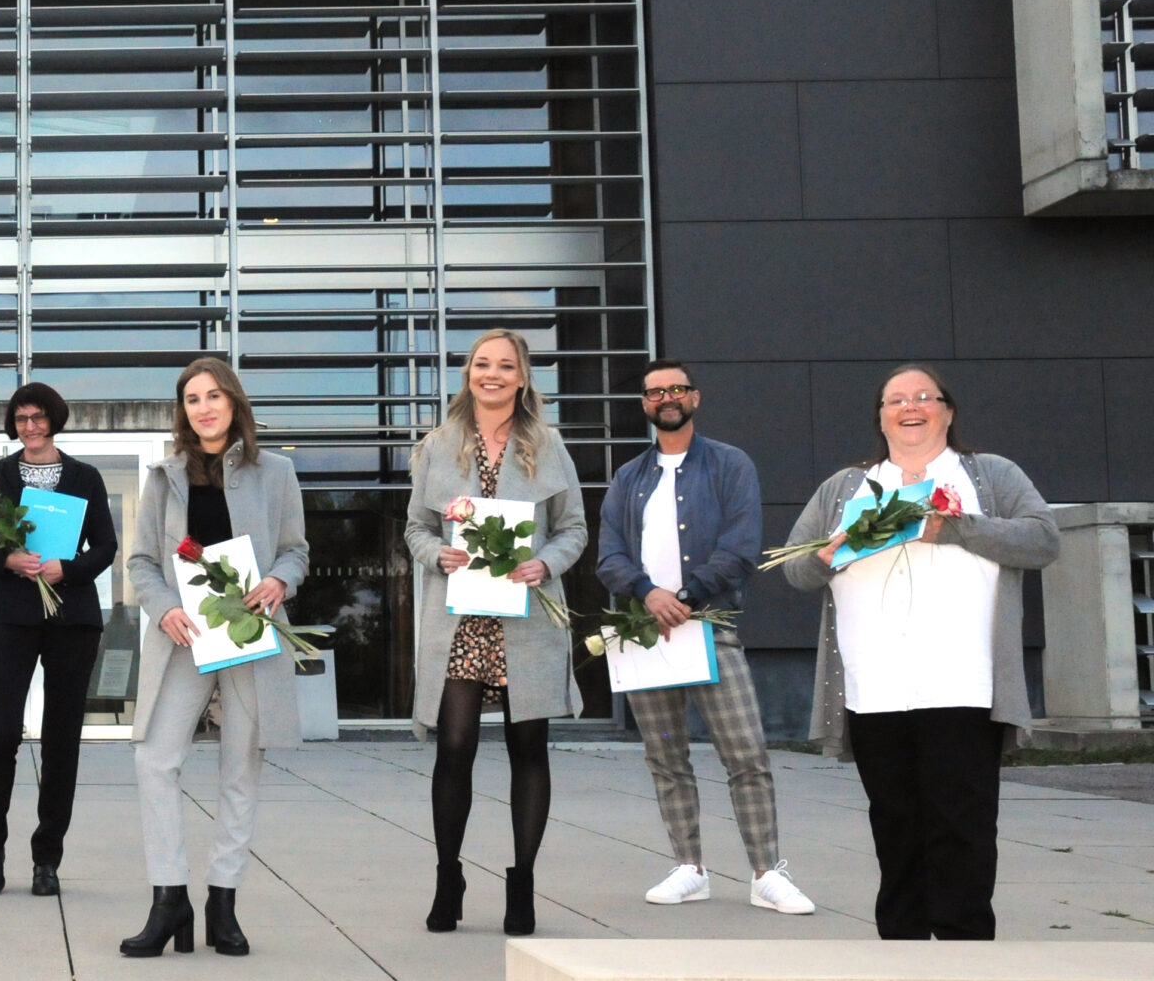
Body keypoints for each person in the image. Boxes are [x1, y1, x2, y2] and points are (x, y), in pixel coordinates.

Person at [779, 366, 1058, 940]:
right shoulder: (844, 487)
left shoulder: (990, 475)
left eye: (924, 398)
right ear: (880, 417)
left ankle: (964, 952)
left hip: (963, 684)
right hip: (876, 689)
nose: (911, 407)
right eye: (896, 400)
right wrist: (831, 554)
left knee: (963, 826)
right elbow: (794, 569)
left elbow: (1042, 539)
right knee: (896, 826)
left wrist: (953, 528)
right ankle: (901, 951)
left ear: (948, 412)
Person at [596, 361, 814, 915]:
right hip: (645, 632)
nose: (666, 398)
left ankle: (767, 872)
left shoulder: (729, 464)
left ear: (694, 396)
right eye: (654, 392)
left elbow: (742, 548)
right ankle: (688, 867)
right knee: (666, 758)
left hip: (711, 627)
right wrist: (649, 594)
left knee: (746, 754)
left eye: (675, 389)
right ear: (644, 404)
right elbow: (610, 555)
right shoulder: (628, 477)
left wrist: (687, 598)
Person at [120, 357, 309, 958]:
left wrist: (279, 581)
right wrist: (162, 608)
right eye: (192, 400)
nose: (203, 408)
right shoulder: (163, 478)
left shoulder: (275, 472)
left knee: (240, 770)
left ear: (234, 403)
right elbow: (142, 562)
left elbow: (296, 551)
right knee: (155, 759)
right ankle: (168, 897)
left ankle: (223, 901)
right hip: (185, 638)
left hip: (250, 638)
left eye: (213, 396)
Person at [403, 328, 587, 938]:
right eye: (483, 364)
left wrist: (545, 563)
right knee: (454, 748)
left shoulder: (548, 444)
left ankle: (523, 883)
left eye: (506, 366)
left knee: (527, 750)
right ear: (468, 373)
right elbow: (415, 530)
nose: (493, 374)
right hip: (458, 621)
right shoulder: (438, 445)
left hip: (526, 619)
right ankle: (446, 875)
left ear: (522, 377)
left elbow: (574, 531)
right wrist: (439, 555)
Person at [0, 381, 118, 898]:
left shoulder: (85, 477)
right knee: (1, 733)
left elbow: (106, 547)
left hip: (71, 618)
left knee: (61, 740)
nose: (30, 426)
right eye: (22, 418)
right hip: (10, 615)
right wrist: (6, 558)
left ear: (55, 419)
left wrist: (64, 569)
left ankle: (47, 858)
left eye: (39, 417)